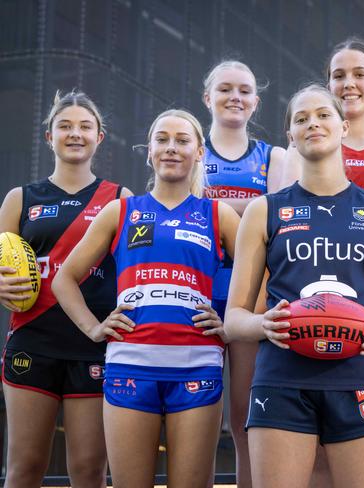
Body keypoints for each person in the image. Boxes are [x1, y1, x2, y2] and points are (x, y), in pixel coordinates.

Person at [224, 84, 364, 488]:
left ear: (344, 126)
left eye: (322, 115)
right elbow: (233, 319)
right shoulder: (265, 210)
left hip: (361, 376)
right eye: (301, 119)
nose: (312, 123)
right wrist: (264, 325)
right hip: (282, 377)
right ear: (290, 136)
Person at [52, 109, 239, 488]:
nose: (172, 148)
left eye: (183, 140)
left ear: (200, 152)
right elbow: (64, 279)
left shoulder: (218, 214)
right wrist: (94, 327)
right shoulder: (121, 211)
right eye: (162, 139)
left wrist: (232, 323)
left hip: (198, 367)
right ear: (149, 151)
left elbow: (265, 279)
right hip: (129, 367)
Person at [0, 91, 130, 488]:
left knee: (90, 471)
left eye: (85, 126)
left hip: (93, 344)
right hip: (31, 341)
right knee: (24, 467)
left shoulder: (121, 198)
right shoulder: (20, 198)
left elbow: (136, 270)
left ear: (99, 138)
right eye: (65, 126)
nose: (75, 134)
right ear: (48, 137)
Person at [202, 59, 286, 487]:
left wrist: (212, 206)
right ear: (208, 98)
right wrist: (252, 208)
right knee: (196, 418)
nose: (235, 97)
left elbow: (280, 220)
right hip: (197, 292)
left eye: (244, 90)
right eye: (225, 89)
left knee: (244, 416)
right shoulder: (186, 148)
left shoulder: (276, 157)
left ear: (256, 101)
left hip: (254, 293)